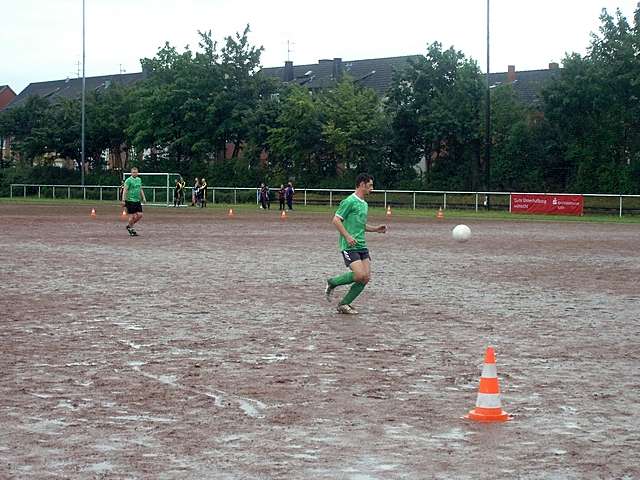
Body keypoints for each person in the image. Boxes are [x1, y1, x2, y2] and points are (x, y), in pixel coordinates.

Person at [324, 173, 387, 314]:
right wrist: (347, 237)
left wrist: (376, 229)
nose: (372, 188)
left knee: (365, 278)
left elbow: (361, 225)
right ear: (362, 184)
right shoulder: (349, 201)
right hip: (349, 246)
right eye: (370, 185)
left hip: (362, 246)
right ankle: (332, 282)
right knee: (359, 275)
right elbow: (336, 220)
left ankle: (344, 304)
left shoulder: (364, 204)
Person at [121, 167, 147, 237]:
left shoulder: (139, 179)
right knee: (131, 216)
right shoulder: (128, 180)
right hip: (130, 200)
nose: (135, 173)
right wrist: (123, 200)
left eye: (136, 172)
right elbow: (125, 190)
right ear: (131, 173)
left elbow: (140, 189)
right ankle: (131, 229)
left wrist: (144, 197)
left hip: (137, 200)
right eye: (133, 172)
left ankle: (129, 226)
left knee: (140, 215)